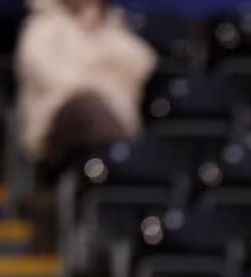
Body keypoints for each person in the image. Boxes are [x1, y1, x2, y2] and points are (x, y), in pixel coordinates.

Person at [15, 0, 156, 167]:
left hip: (114, 113)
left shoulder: (111, 28)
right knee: (88, 105)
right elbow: (50, 75)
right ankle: (126, 163)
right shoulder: (44, 26)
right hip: (58, 114)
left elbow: (143, 63)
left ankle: (124, 163)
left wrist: (99, 33)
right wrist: (101, 80)